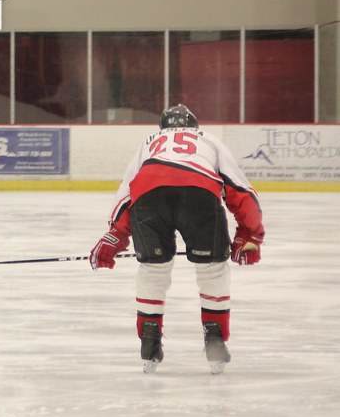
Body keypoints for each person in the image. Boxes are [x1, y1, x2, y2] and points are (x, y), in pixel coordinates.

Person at [89, 104, 264, 375]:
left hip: (150, 197)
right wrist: (249, 234)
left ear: (162, 128)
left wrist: (115, 236)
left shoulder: (149, 142)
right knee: (212, 268)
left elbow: (127, 194)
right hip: (198, 194)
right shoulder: (208, 139)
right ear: (195, 125)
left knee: (153, 268)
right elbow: (239, 190)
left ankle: (149, 340)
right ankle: (215, 339)